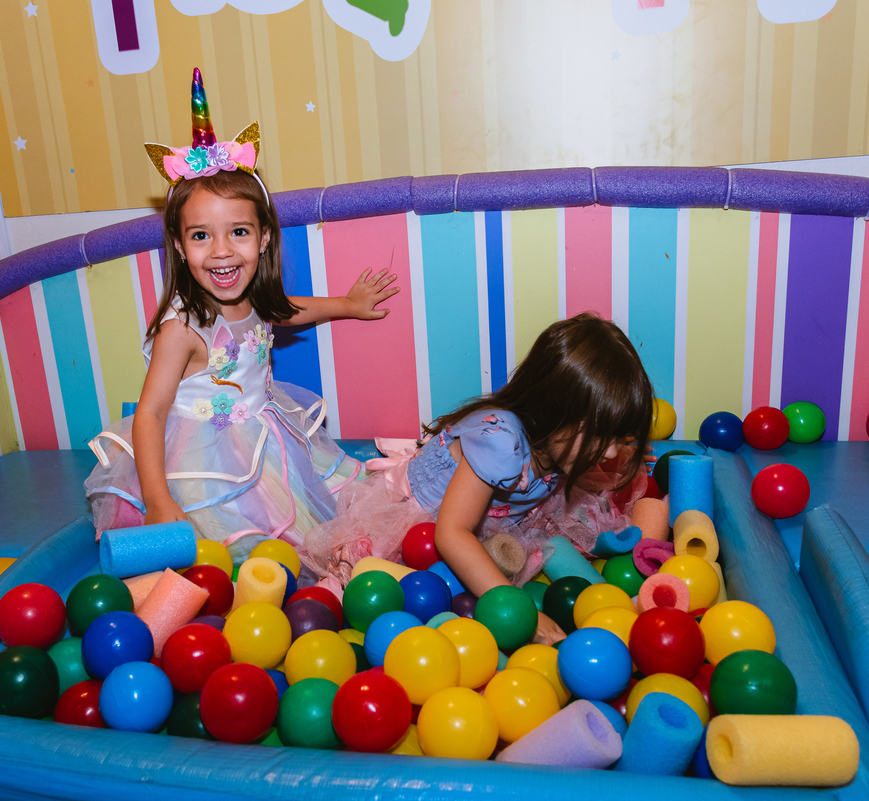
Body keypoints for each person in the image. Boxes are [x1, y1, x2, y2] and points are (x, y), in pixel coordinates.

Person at [84, 69, 397, 551]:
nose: (222, 251)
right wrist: (158, 499)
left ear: (264, 237)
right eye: (201, 235)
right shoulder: (182, 328)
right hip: (205, 460)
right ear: (179, 245)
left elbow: (285, 310)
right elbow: (150, 413)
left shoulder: (251, 296)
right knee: (243, 546)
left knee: (333, 514)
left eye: (239, 232)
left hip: (268, 435)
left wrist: (347, 304)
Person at [303, 313, 655, 644]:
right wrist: (519, 610)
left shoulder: (555, 443)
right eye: (601, 437)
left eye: (619, 438)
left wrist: (615, 457)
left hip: (485, 527)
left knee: (562, 534)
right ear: (554, 411)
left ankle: (617, 605)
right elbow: (452, 534)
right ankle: (325, 602)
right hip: (421, 525)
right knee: (375, 583)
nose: (610, 452)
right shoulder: (501, 443)